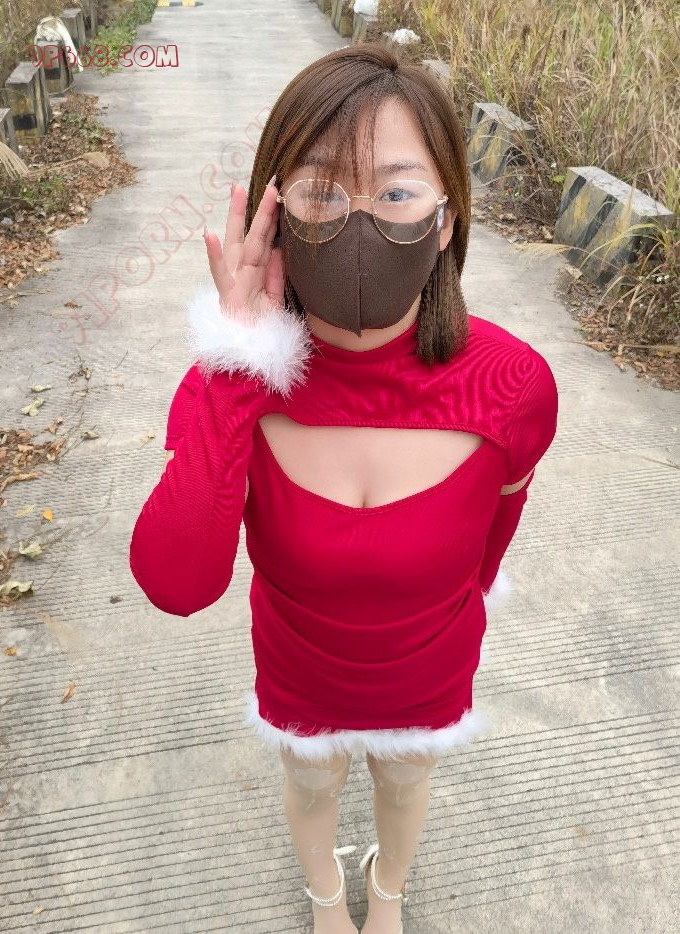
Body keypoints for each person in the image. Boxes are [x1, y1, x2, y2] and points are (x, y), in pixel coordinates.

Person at [129, 42, 558, 934]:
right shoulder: (229, 389)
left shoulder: (512, 385)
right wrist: (238, 368)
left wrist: (459, 602)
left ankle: (387, 889)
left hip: (432, 664)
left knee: (407, 780)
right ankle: (328, 896)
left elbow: (498, 530)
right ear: (275, 213)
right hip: (298, 667)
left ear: (447, 219)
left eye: (397, 193)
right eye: (322, 192)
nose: (359, 225)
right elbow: (177, 582)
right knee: (311, 780)